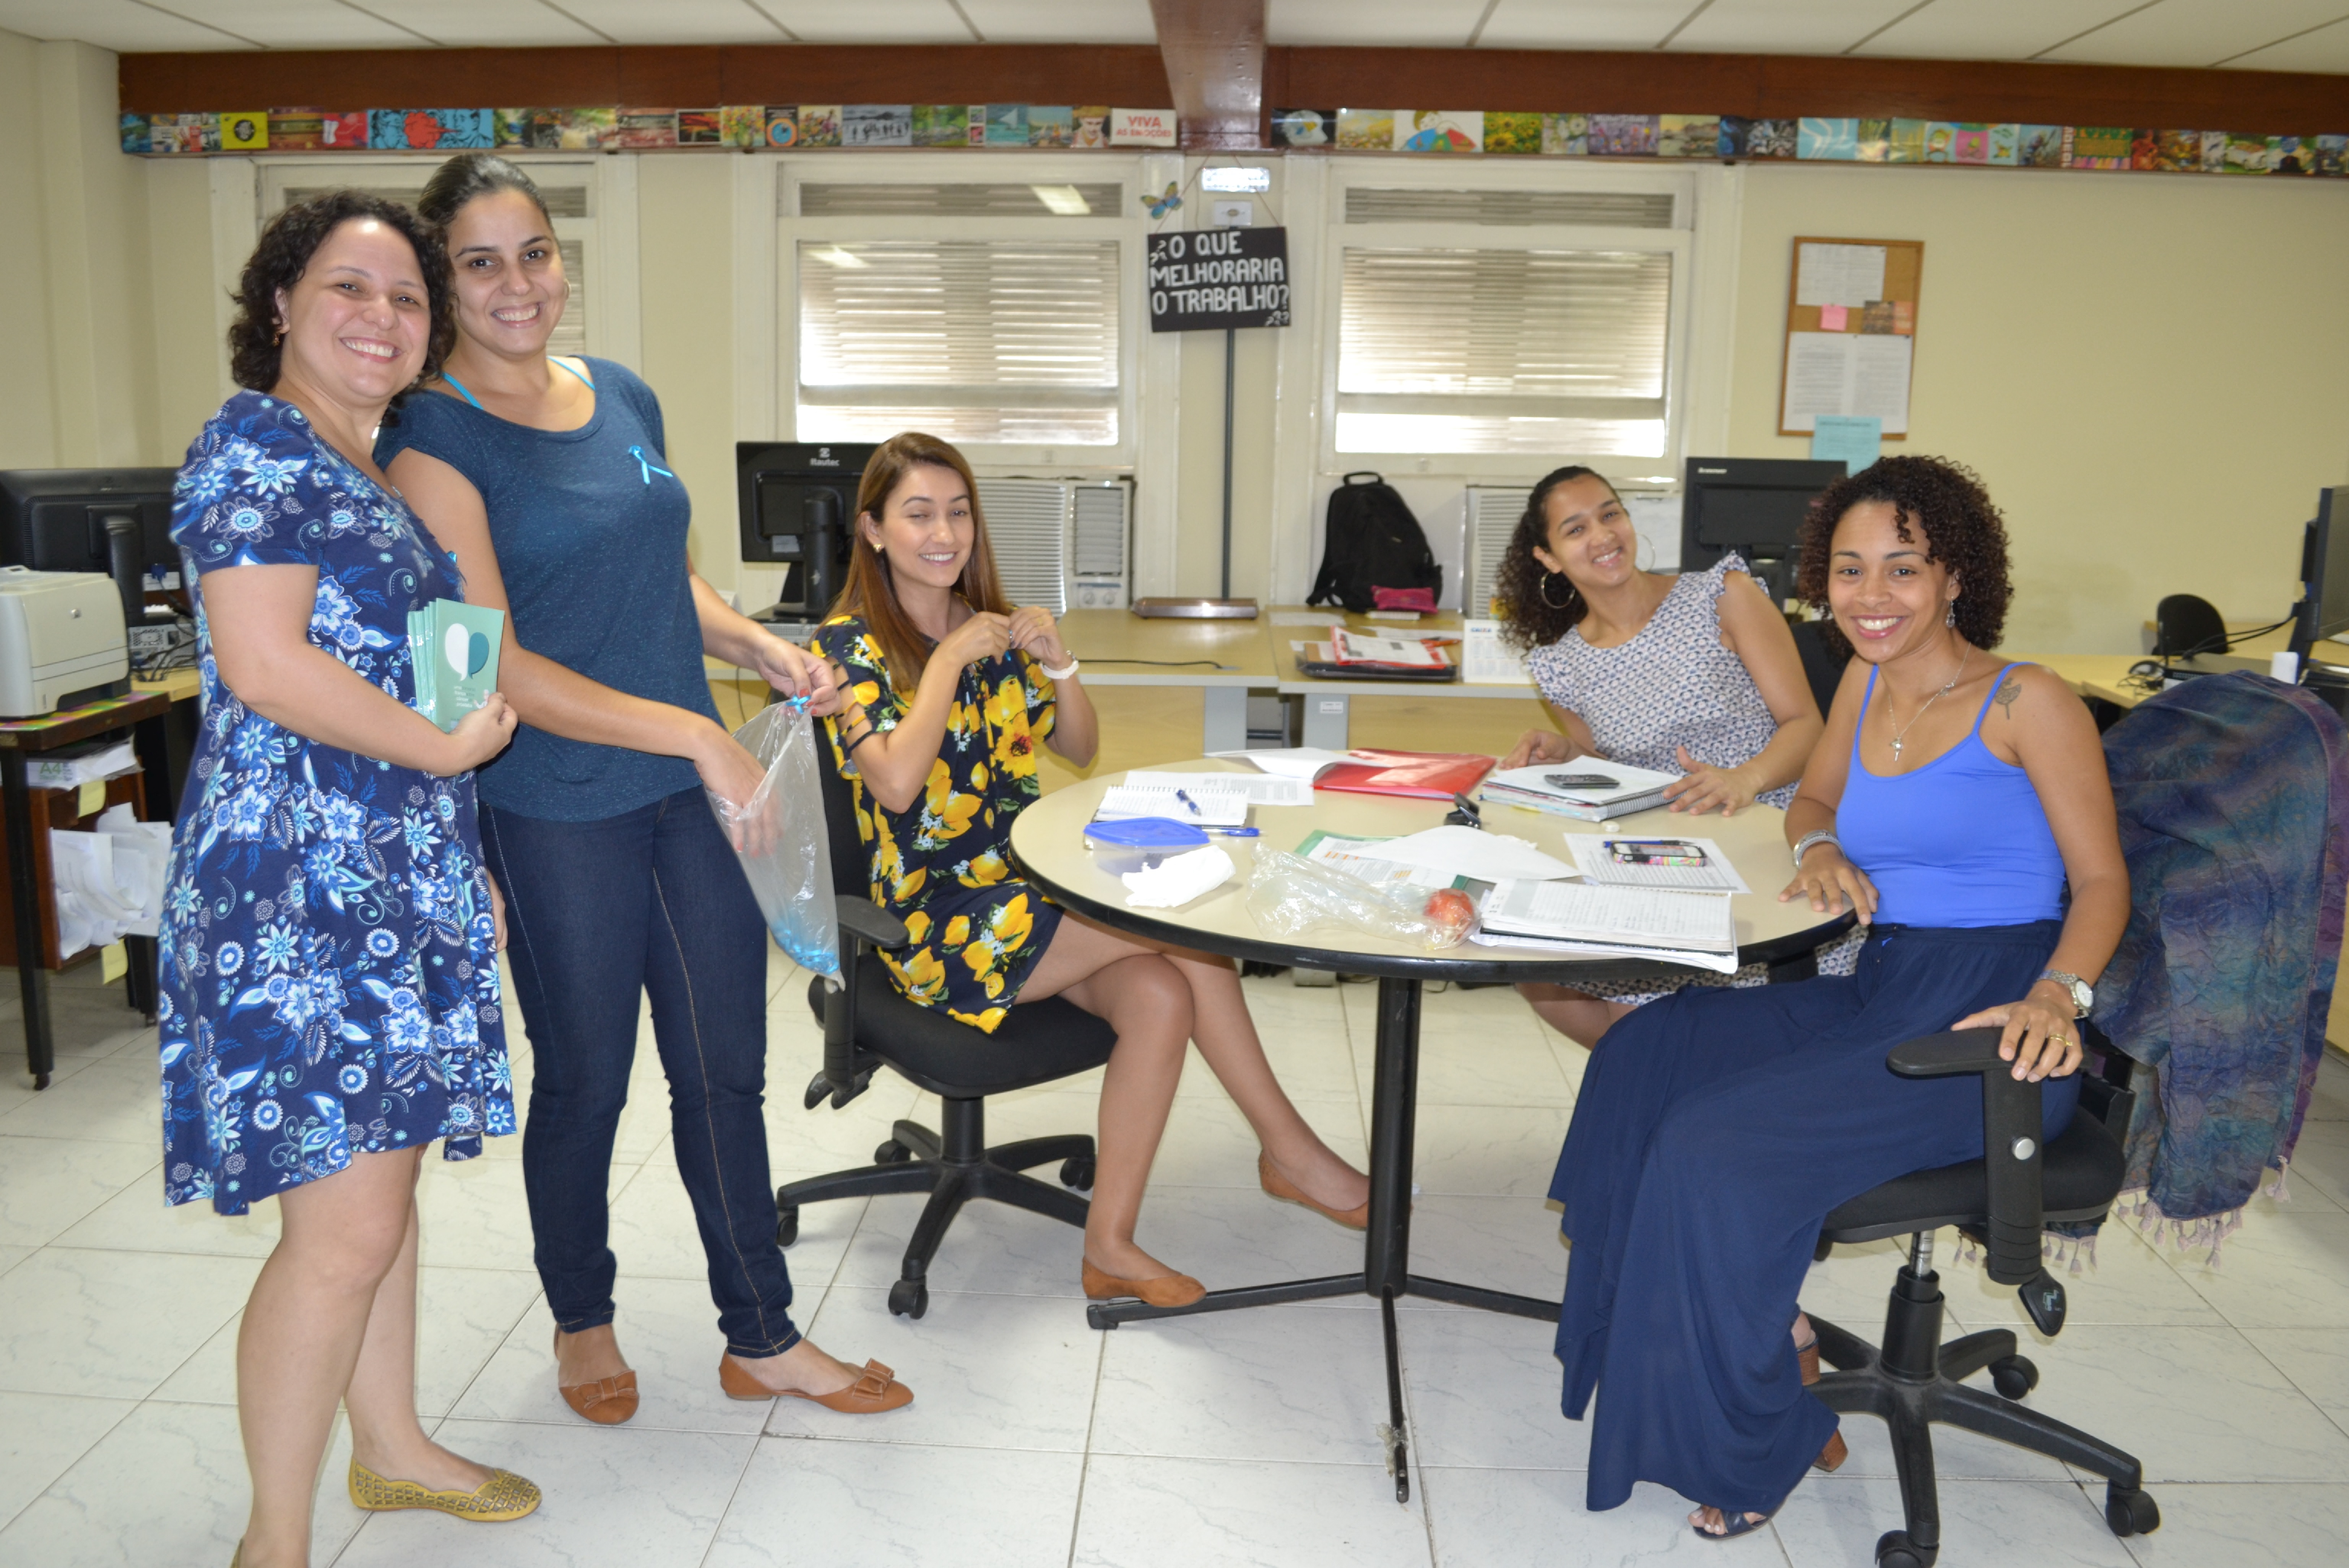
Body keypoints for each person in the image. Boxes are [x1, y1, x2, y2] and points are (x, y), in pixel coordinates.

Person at [379, 153, 909, 1423]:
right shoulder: (430, 437)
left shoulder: (620, 393)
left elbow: (657, 572)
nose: (517, 284)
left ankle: (762, 1332)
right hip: (554, 802)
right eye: (480, 262)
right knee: (587, 1078)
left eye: (535, 253)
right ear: (442, 280)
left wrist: (757, 644)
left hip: (683, 793)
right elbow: (491, 659)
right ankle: (582, 1317)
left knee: (726, 1066)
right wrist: (698, 736)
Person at [1544, 455, 2128, 1540]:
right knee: (1646, 1052)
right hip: (1886, 978)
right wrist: (1819, 848)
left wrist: (2060, 994)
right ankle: (1657, 1346)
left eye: (1903, 568)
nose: (1872, 595)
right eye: (1850, 570)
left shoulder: (2027, 700)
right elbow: (1812, 797)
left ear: (1956, 575)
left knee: (1714, 1144)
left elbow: (2102, 882)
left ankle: (1754, 1436)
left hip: (1992, 1024)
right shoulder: (1866, 678)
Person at [157, 191, 534, 1568]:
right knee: (340, 1229)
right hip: (299, 893)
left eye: (407, 298)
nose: (384, 317)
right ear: (280, 305)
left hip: (394, 873)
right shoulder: (254, 445)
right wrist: (448, 746)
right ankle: (275, 1537)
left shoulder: (368, 473)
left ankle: (393, 1444)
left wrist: (459, 849)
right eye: (349, 288)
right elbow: (266, 665)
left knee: (380, 1189)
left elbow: (432, 668)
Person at [814, 432, 1371, 1307]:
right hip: (930, 922)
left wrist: (1061, 663)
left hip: (1025, 891)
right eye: (918, 513)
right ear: (875, 530)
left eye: (958, 512)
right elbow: (892, 784)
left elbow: (1079, 746)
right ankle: (1291, 1152)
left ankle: (1111, 1243)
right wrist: (947, 664)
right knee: (1182, 931)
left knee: (1162, 990)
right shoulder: (845, 647)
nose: (944, 532)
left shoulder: (990, 628)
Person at [1492, 464, 1837, 1045]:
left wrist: (1745, 777)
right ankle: (1675, 1079)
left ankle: (1676, 1078)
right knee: (1524, 952)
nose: (1603, 535)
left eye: (1610, 514)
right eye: (1576, 529)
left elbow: (1808, 726)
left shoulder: (1721, 595)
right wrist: (1569, 753)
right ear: (1548, 558)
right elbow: (1613, 772)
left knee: (1639, 1020)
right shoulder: (1561, 665)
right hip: (1659, 854)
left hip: (1760, 831)